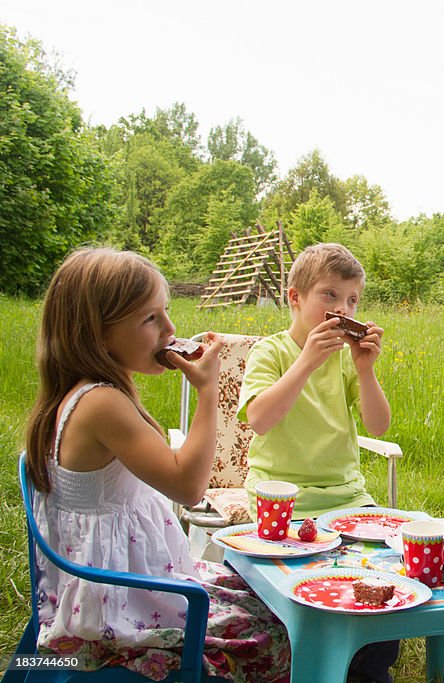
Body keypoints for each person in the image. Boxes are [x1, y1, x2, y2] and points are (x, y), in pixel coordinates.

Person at [24, 247, 291, 681]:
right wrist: (208, 390)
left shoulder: (83, 392)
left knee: (261, 593)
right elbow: (189, 488)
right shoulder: (102, 404)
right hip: (117, 610)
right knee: (278, 630)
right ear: (95, 332)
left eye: (165, 312)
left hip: (122, 582)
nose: (169, 328)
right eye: (150, 319)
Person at [237, 241, 396, 683]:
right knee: (310, 591)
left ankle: (366, 665)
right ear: (295, 297)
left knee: (385, 582)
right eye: (329, 295)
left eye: (351, 300)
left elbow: (378, 426)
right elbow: (260, 418)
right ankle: (315, 660)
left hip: (348, 498)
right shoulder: (271, 352)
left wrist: (365, 369)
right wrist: (306, 361)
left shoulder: (346, 360)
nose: (341, 309)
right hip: (282, 500)